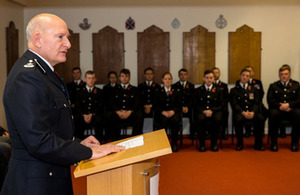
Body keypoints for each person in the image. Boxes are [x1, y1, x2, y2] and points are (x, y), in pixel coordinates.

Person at [1, 13, 124, 195]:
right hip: (36, 184)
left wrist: (79, 143)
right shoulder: (27, 77)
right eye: (61, 37)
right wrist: (89, 153)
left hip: (51, 175)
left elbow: (51, 128)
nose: (68, 44)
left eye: (67, 37)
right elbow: (39, 141)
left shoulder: (44, 73)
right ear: (38, 39)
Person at [230, 69, 265, 151]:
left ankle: (258, 144)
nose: (245, 77)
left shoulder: (254, 90)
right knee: (238, 120)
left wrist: (253, 112)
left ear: (250, 78)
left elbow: (257, 103)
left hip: (252, 112)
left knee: (260, 118)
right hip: (240, 112)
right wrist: (243, 112)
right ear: (240, 76)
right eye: (243, 75)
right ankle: (239, 143)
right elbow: (234, 104)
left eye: (247, 76)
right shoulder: (234, 90)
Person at [267, 64, 300, 152]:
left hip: (291, 110)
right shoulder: (273, 86)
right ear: (279, 75)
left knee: (298, 114)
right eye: (282, 74)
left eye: (286, 74)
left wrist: (289, 105)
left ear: (289, 74)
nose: (284, 76)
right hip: (278, 110)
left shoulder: (296, 85)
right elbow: (270, 100)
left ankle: (295, 143)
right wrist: (280, 106)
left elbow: (299, 100)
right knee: (272, 114)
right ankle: (274, 143)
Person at [107, 69, 143, 141]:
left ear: (129, 78)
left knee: (139, 115)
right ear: (119, 78)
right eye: (122, 76)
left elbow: (137, 103)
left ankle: (135, 140)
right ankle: (114, 140)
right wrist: (118, 112)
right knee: (109, 115)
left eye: (126, 76)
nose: (124, 78)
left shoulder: (135, 89)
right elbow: (111, 103)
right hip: (118, 114)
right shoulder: (114, 89)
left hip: (130, 114)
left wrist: (129, 112)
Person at [194, 70, 223, 152]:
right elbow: (195, 105)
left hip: (215, 112)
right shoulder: (198, 90)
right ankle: (202, 144)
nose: (209, 80)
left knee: (217, 119)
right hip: (202, 112)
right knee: (200, 119)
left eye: (211, 78)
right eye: (207, 78)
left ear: (214, 79)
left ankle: (214, 144)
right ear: (203, 79)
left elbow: (221, 104)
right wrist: (204, 111)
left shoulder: (219, 90)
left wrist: (212, 110)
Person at [154, 72, 181, 152]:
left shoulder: (177, 91)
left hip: (173, 113)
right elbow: (155, 105)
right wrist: (162, 111)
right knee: (162, 121)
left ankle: (174, 144)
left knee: (175, 121)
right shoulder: (158, 91)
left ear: (172, 80)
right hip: (162, 113)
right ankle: (163, 145)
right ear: (162, 80)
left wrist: (173, 111)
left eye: (169, 79)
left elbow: (179, 105)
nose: (168, 81)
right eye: (166, 79)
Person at [75, 71, 104, 141]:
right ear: (85, 79)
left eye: (93, 78)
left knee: (100, 120)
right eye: (89, 78)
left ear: (95, 79)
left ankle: (98, 142)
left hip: (94, 115)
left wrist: (92, 114)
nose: (91, 80)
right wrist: (84, 115)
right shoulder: (79, 92)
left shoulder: (100, 91)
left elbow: (100, 106)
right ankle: (80, 143)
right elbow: (77, 106)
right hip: (83, 115)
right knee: (76, 120)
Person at [244, 65, 268, 137]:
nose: (248, 73)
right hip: (246, 104)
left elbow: (261, 93)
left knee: (266, 112)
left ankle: (259, 130)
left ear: (253, 73)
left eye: (250, 71)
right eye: (247, 71)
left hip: (257, 103)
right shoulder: (241, 82)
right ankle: (247, 131)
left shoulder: (257, 82)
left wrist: (256, 102)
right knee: (246, 111)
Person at [172, 68, 195, 140]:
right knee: (176, 116)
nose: (183, 76)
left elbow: (192, 99)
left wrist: (187, 107)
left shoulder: (191, 86)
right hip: (179, 107)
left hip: (189, 108)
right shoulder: (174, 86)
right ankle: (177, 133)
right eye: (181, 75)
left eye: (185, 75)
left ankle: (193, 133)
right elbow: (175, 100)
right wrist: (181, 107)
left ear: (187, 76)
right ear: (179, 76)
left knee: (194, 114)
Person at [212, 67, 229, 140]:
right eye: (214, 73)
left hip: (221, 107)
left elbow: (226, 98)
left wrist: (221, 106)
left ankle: (223, 133)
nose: (215, 74)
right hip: (212, 107)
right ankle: (210, 133)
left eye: (217, 73)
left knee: (225, 112)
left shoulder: (224, 85)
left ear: (219, 74)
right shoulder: (209, 84)